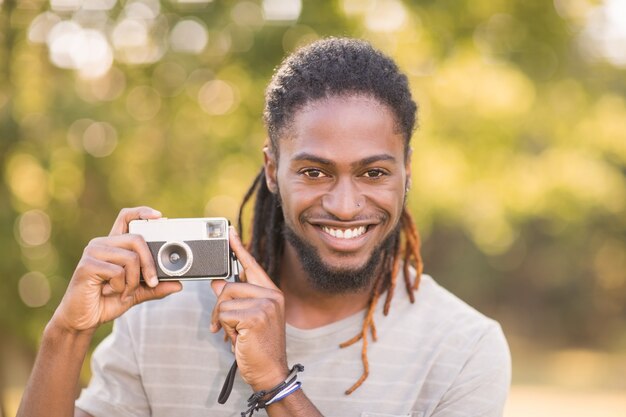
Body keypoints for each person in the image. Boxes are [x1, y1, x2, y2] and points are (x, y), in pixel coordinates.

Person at [17, 38, 511, 417]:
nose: (343, 205)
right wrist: (68, 333)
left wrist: (277, 384)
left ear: (407, 171)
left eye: (373, 172)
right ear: (273, 171)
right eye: (314, 171)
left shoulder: (463, 347)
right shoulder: (158, 319)